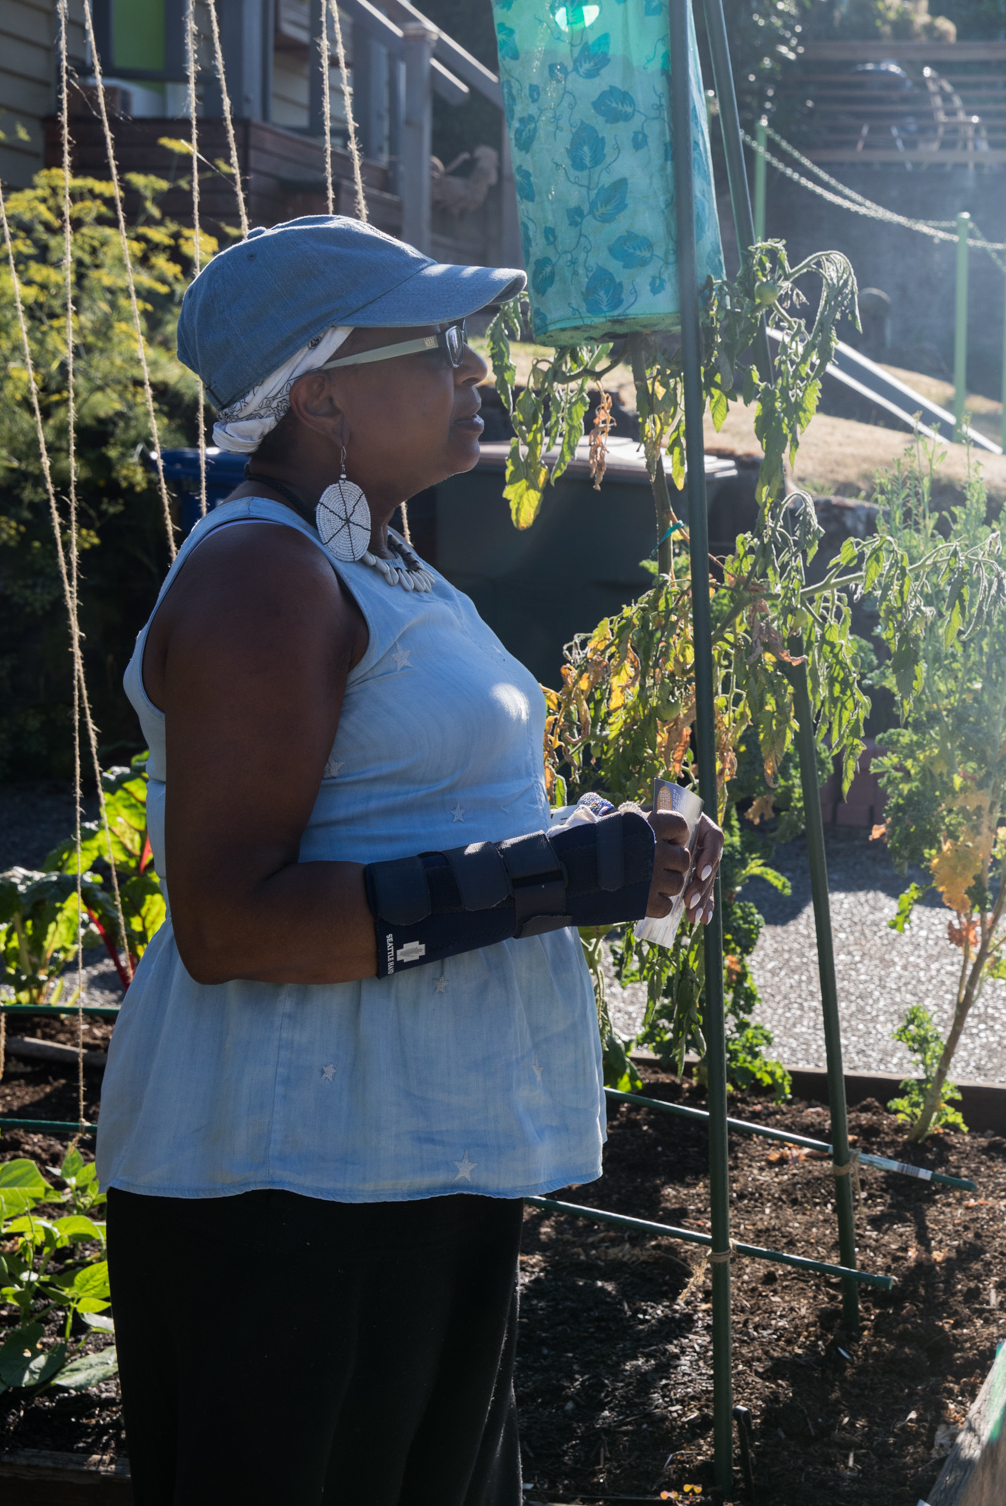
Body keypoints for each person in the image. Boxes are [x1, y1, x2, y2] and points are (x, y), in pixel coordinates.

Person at [95, 215, 724, 1506]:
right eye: (438, 346)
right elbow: (230, 925)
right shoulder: (258, 579)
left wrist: (601, 853)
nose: (476, 372)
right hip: (294, 1182)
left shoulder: (373, 555)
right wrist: (550, 881)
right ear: (319, 393)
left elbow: (413, 825)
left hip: (407, 1151)